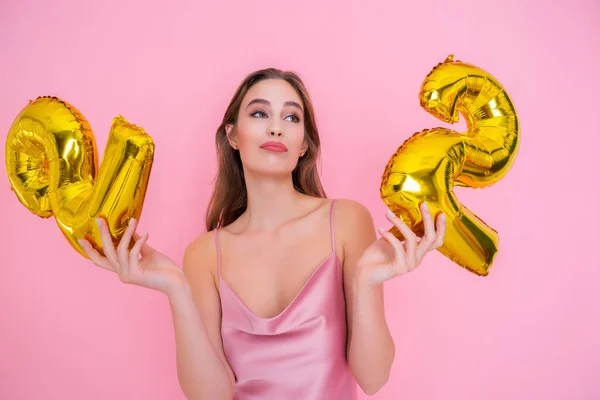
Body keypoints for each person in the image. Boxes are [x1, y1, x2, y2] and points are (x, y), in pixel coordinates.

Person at [79, 68, 446, 400]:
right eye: (259, 113)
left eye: (291, 116)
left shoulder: (347, 221)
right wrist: (175, 288)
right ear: (233, 135)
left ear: (303, 145)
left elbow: (374, 377)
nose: (276, 127)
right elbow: (211, 395)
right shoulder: (205, 254)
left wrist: (365, 283)